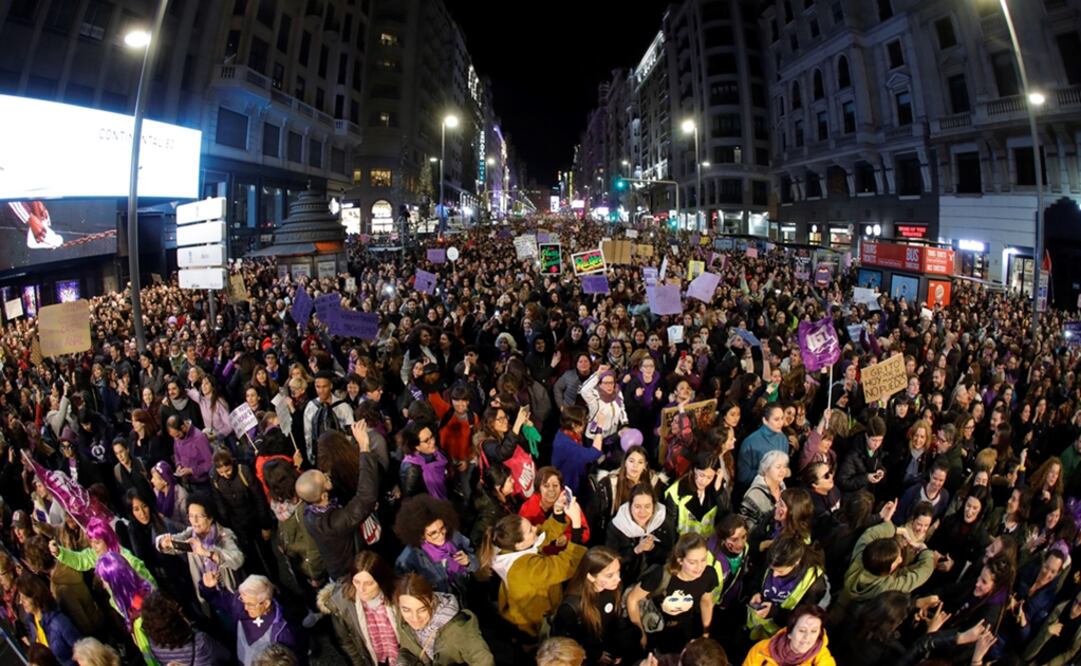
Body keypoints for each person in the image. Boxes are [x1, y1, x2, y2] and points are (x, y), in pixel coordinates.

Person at [479, 500, 587, 637]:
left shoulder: (507, 548)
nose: (535, 528)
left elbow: (541, 535)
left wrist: (558, 511)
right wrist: (576, 526)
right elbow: (565, 565)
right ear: (519, 545)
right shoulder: (524, 568)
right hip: (536, 626)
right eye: (530, 530)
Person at [295, 422, 379, 581]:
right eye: (325, 479)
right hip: (351, 575)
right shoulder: (333, 522)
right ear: (323, 496)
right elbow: (365, 498)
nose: (328, 476)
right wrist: (364, 447)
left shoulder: (309, 510)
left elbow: (308, 487)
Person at [625, 533, 717, 655]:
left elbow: (706, 602)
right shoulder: (660, 575)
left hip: (684, 631)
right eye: (692, 562)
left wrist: (705, 633)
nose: (699, 567)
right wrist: (641, 634)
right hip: (654, 630)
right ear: (680, 560)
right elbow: (632, 599)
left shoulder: (708, 575)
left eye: (703, 560)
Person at [550, 547, 635, 665]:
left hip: (609, 644)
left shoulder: (613, 588)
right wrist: (595, 654)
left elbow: (615, 618)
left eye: (618, 571)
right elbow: (567, 643)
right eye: (609, 575)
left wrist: (619, 648)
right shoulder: (571, 607)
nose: (618, 579)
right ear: (591, 577)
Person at [155, 497, 245, 608]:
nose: (194, 521)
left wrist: (208, 553)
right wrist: (164, 542)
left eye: (199, 516)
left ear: (210, 518)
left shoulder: (224, 534)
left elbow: (238, 559)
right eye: (191, 516)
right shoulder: (191, 533)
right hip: (206, 595)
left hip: (230, 593)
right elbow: (171, 542)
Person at [317, 551, 402, 666]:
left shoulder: (399, 595)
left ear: (381, 580)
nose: (361, 589)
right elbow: (347, 642)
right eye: (356, 582)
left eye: (369, 583)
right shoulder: (342, 604)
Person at [200, 571, 301, 665]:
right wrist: (208, 588)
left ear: (266, 603)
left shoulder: (284, 632)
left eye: (250, 604)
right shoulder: (240, 604)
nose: (245, 607)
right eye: (243, 601)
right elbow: (217, 599)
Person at [394, 574, 495, 666]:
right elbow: (407, 648)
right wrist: (403, 661)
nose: (415, 618)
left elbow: (484, 661)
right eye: (406, 610)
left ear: (432, 602)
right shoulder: (402, 619)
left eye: (422, 610)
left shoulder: (458, 628)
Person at [393, 495, 478, 596]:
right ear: (421, 535)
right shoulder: (408, 559)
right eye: (433, 533)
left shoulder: (455, 536)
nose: (441, 535)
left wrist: (468, 562)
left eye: (442, 528)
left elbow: (476, 562)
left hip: (465, 593)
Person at [746, 537, 828, 640]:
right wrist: (755, 592)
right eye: (772, 570)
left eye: (780, 571)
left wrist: (775, 612)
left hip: (777, 636)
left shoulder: (814, 583)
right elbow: (757, 579)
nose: (774, 575)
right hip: (755, 628)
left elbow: (804, 619)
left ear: (796, 562)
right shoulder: (774, 558)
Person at [606, 482, 673, 584]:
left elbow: (670, 554)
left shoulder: (663, 520)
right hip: (624, 579)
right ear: (630, 506)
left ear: (654, 506)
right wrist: (636, 550)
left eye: (647, 506)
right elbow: (610, 561)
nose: (642, 512)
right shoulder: (617, 525)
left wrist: (652, 548)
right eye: (637, 506)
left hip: (656, 577)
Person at [141, 590, 229, 665]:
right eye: (178, 609)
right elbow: (226, 656)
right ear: (176, 622)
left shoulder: (153, 643)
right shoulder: (200, 642)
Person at [16, 573, 82, 666]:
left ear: (36, 596)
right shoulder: (31, 622)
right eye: (20, 597)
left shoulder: (59, 622)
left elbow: (83, 651)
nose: (21, 601)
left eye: (25, 597)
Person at [521, 467, 591, 554]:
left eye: (555, 485)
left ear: (561, 487)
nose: (551, 490)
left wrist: (567, 538)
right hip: (539, 555)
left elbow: (585, 533)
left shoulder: (570, 505)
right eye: (546, 486)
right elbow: (522, 540)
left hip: (567, 553)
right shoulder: (527, 509)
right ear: (539, 488)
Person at [742, 605, 836, 666]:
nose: (807, 637)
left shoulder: (822, 658)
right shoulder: (761, 649)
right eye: (802, 630)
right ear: (789, 633)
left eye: (814, 631)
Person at [664, 451, 727, 536]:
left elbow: (726, 517)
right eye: (701, 475)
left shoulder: (716, 487)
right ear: (694, 470)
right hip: (685, 541)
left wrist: (718, 491)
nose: (704, 481)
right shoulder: (676, 491)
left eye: (709, 477)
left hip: (707, 541)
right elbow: (670, 527)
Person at [550, 406, 604, 496]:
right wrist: (600, 427)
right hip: (569, 482)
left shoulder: (564, 433)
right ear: (573, 425)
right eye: (583, 423)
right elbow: (594, 452)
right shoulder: (568, 446)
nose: (585, 425)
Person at [736, 404, 789, 487]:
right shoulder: (750, 442)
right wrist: (767, 474)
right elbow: (743, 476)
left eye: (782, 418)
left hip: (776, 488)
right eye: (776, 419)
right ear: (765, 420)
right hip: (755, 489)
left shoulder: (783, 439)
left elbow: (784, 466)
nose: (781, 423)